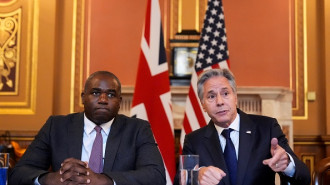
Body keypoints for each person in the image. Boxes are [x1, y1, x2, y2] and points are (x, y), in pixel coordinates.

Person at [9, 71, 166, 185]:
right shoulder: (56, 126)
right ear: (83, 97)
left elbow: (156, 176)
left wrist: (105, 180)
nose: (103, 100)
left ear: (120, 101)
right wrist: (51, 179)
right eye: (96, 93)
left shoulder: (137, 129)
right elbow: (20, 172)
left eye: (111, 95)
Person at [174, 68, 311, 185]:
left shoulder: (266, 128)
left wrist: (287, 164)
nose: (220, 102)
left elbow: (304, 177)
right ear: (203, 104)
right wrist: (197, 176)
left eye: (225, 93)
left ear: (235, 97)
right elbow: (179, 180)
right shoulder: (194, 140)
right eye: (211, 96)